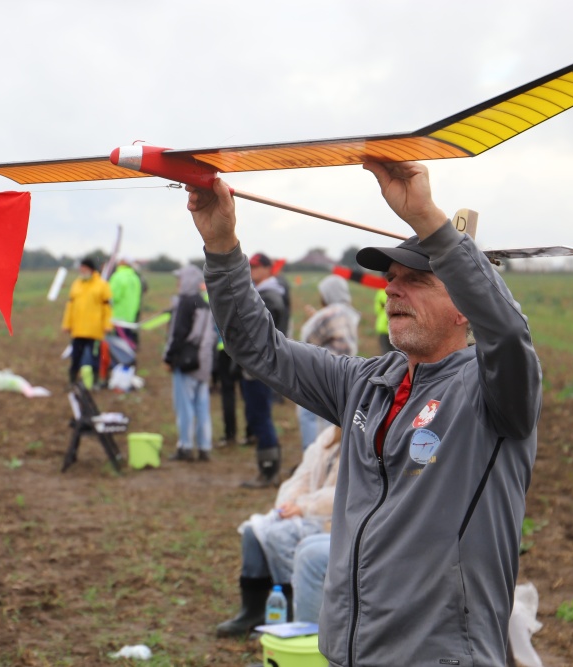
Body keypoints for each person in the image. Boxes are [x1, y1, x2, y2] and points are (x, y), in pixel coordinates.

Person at [187, 161, 539, 666]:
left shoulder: (492, 392)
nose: (392, 289)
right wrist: (222, 246)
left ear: (465, 307)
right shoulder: (364, 383)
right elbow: (256, 346)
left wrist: (427, 217)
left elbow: (507, 333)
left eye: (416, 280)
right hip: (349, 653)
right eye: (391, 279)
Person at [216, 425, 340, 636]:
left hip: (333, 522)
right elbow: (302, 476)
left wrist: (304, 507)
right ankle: (252, 611)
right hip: (307, 513)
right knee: (253, 533)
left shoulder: (365, 439)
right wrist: (289, 502)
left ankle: (290, 613)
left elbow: (349, 492)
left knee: (279, 536)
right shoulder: (329, 435)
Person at [239, 252, 289, 488]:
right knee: (258, 415)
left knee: (260, 416)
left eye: (257, 267)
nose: (253, 271)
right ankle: (268, 469)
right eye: (250, 267)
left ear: (269, 269)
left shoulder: (268, 296)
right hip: (259, 365)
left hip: (260, 367)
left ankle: (269, 472)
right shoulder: (265, 293)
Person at [296, 275, 360, 451]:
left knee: (310, 415)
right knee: (332, 416)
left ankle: (313, 454)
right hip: (343, 372)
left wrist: (314, 319)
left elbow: (308, 339)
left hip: (320, 373)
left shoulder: (330, 313)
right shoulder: (349, 312)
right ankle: (330, 456)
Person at [163, 264, 217, 462]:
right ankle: (204, 447)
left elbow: (178, 334)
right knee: (202, 406)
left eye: (180, 278)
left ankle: (185, 446)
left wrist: (169, 357)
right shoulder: (204, 303)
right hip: (203, 361)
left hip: (186, 362)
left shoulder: (184, 303)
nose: (178, 282)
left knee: (184, 406)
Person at [62, 257, 112, 387]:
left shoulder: (102, 285)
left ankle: (95, 382)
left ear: (91, 269)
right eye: (81, 268)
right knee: (75, 357)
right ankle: (73, 381)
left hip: (95, 330)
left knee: (95, 357)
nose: (82, 271)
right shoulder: (76, 284)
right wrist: (67, 324)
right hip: (78, 329)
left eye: (84, 268)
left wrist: (107, 325)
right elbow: (70, 306)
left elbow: (107, 308)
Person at [107, 254, 143, 349]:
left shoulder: (118, 276)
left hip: (117, 318)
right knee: (127, 344)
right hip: (130, 317)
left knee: (117, 347)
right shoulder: (135, 278)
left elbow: (111, 297)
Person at [373, 286, 396, 354]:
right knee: (397, 352)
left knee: (385, 351)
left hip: (382, 326)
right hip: (395, 326)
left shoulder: (381, 292)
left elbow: (377, 309)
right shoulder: (397, 290)